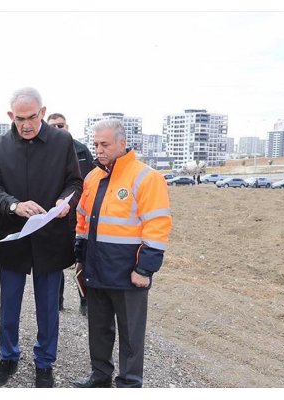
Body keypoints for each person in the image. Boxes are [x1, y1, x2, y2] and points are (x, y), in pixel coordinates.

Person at [0, 87, 83, 388]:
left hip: (51, 236)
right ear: (10, 116)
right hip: (14, 235)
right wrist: (15, 205)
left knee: (48, 306)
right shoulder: (0, 145)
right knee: (9, 304)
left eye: (31, 117)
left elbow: (75, 182)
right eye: (19, 118)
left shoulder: (63, 141)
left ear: (42, 112)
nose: (25, 125)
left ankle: (45, 362)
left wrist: (65, 202)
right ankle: (8, 356)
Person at [72, 119, 172, 388]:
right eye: (95, 144)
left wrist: (145, 269)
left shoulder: (146, 177)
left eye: (104, 144)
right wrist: (80, 257)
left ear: (122, 143)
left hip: (129, 274)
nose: (99, 150)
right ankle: (100, 377)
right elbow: (83, 221)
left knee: (131, 336)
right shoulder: (92, 178)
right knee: (98, 330)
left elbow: (157, 225)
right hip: (96, 268)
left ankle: (129, 384)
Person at [47, 112, 94, 316]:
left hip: (80, 215)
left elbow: (91, 179)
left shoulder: (82, 150)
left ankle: (85, 300)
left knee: (81, 260)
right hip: (56, 215)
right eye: (53, 126)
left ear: (67, 126)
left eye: (61, 125)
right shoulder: (45, 151)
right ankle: (57, 301)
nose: (57, 129)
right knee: (56, 261)